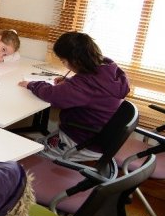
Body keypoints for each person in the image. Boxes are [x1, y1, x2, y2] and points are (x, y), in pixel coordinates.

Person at [18, 31, 130, 161]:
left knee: (31, 154)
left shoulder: (86, 84)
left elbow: (53, 96)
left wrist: (31, 85)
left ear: (75, 61)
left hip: (84, 141)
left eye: (63, 61)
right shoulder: (107, 69)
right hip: (101, 136)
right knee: (37, 143)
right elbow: (90, 91)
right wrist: (69, 83)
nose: (64, 65)